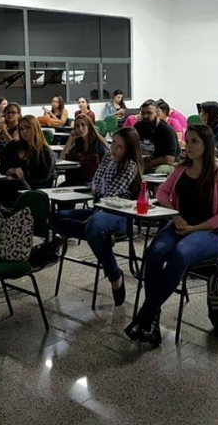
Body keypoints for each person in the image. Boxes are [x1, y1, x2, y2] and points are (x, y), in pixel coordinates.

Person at [125, 124, 218, 346]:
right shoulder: (182, 169)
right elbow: (162, 193)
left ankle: (145, 315)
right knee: (155, 252)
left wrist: (194, 228)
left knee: (181, 253)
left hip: (210, 231)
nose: (188, 145)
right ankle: (152, 320)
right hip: (179, 224)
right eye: (187, 140)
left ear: (206, 144)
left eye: (194, 141)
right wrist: (175, 216)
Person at [51, 127, 143, 305]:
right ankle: (95, 232)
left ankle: (114, 275)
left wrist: (98, 195)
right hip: (99, 209)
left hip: (120, 212)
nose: (114, 149)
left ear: (129, 149)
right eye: (113, 143)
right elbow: (95, 182)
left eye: (120, 146)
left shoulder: (130, 165)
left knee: (94, 225)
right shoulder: (108, 158)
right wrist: (97, 197)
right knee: (56, 218)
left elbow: (111, 193)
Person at [0, 115, 56, 206]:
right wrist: (9, 170)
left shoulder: (46, 152)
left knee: (19, 184)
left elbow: (46, 180)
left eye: (28, 128)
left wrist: (17, 181)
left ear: (35, 128)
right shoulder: (14, 146)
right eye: (21, 129)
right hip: (12, 186)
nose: (24, 131)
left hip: (34, 189)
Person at [60, 114, 109, 185]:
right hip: (78, 179)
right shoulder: (78, 143)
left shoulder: (99, 143)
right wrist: (70, 139)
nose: (80, 128)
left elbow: (106, 164)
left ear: (89, 126)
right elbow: (62, 157)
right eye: (77, 126)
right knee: (62, 186)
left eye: (83, 125)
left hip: (93, 181)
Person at [134, 99, 179, 174]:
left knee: (159, 171)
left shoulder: (166, 130)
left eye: (149, 113)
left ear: (157, 113)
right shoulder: (138, 127)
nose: (145, 116)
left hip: (166, 163)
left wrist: (145, 166)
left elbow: (169, 159)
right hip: (145, 161)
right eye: (143, 113)